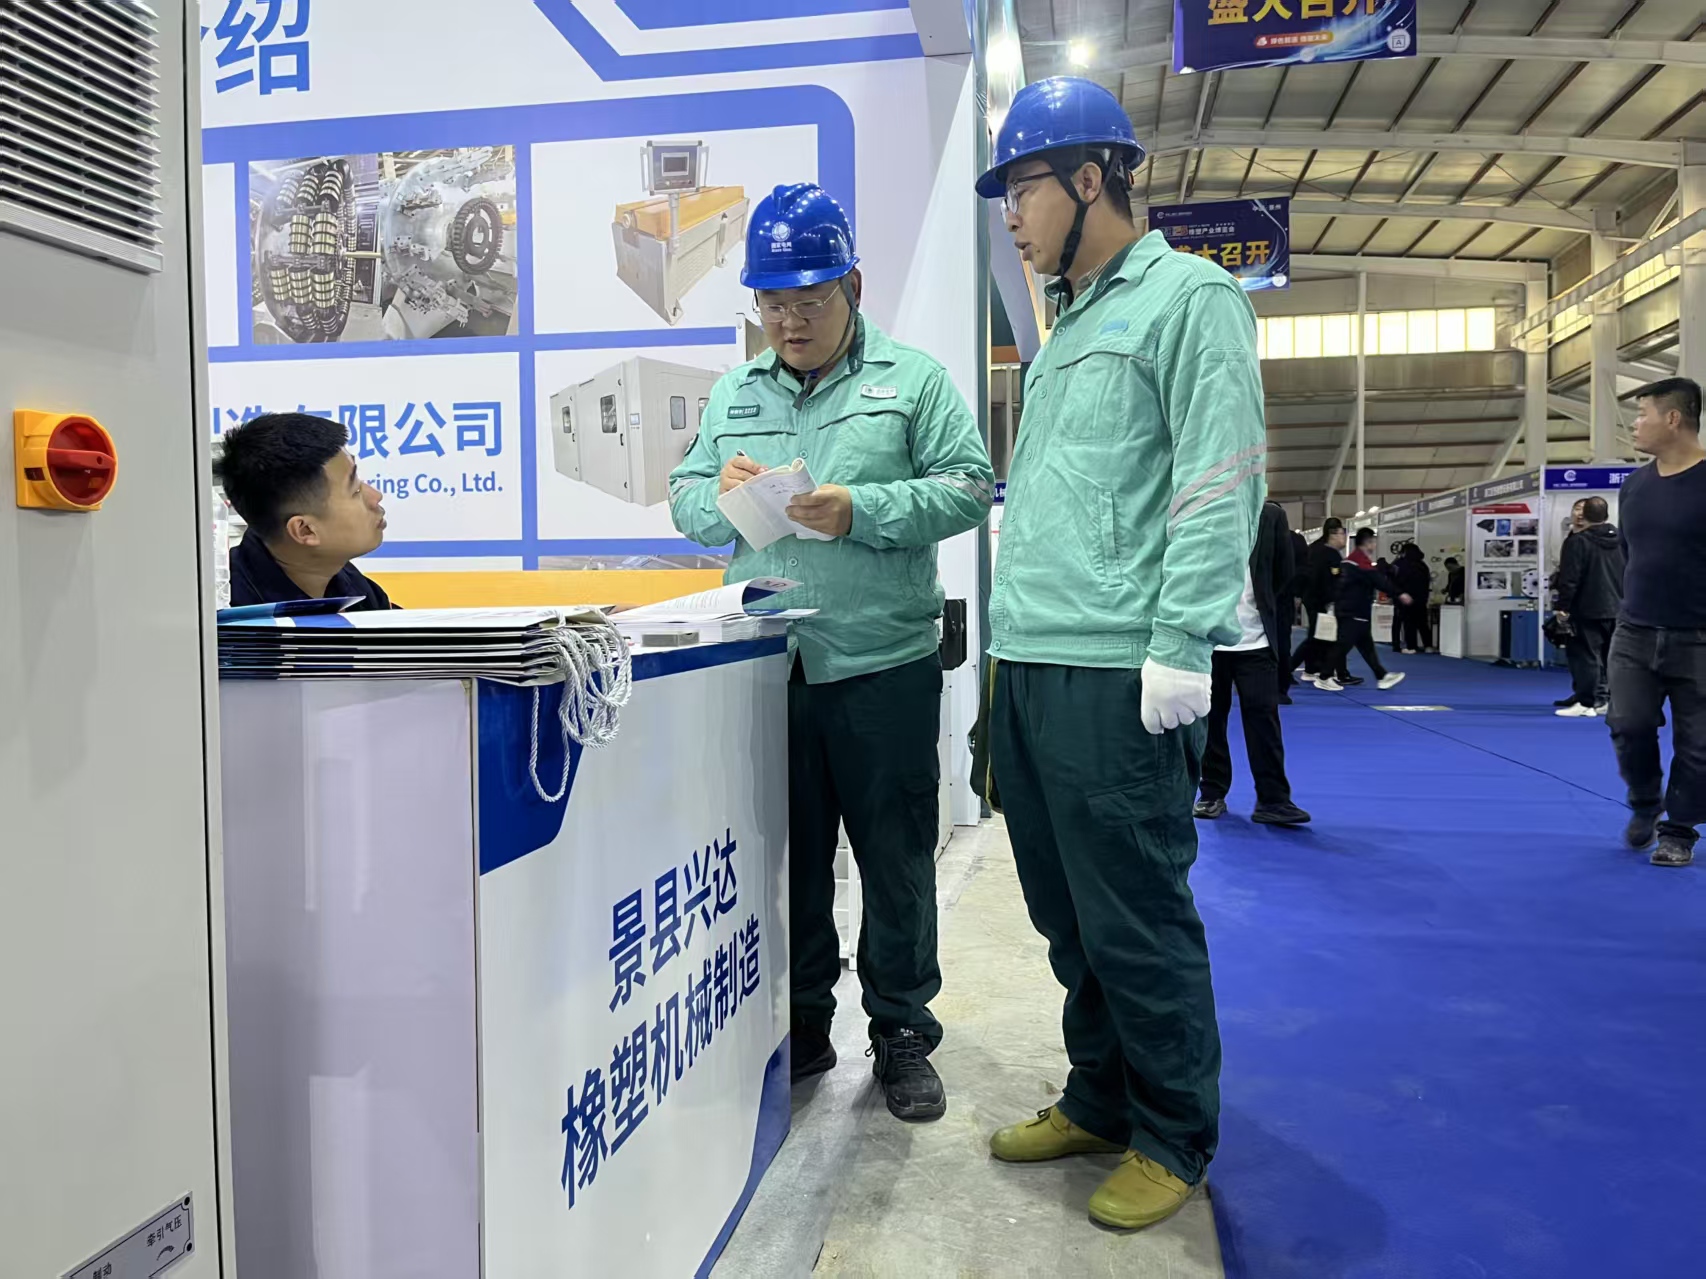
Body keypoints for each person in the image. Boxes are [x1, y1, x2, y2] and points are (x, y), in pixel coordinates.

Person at [974, 77, 1264, 1231]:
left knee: (1134, 913)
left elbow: (1217, 479)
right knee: (1065, 914)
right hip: (1031, 659)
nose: (1009, 214)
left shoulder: (1188, 300)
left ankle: (1172, 1132)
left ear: (1089, 177)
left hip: (1115, 670)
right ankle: (1098, 1096)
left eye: (1023, 189)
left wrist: (1181, 638)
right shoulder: (1064, 331)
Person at [668, 183, 993, 1116]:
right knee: (790, 859)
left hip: (880, 665)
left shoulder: (913, 381)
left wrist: (863, 509)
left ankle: (901, 1029)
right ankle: (802, 1018)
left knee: (895, 857)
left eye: (809, 300)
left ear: (853, 285)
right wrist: (717, 495)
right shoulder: (736, 391)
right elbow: (686, 501)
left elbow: (969, 487)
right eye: (772, 303)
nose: (790, 322)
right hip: (770, 669)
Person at [1604, 377, 1705, 867]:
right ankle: (1646, 799)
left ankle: (1679, 831)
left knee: (1700, 743)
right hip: (1635, 631)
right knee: (1628, 723)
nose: (1635, 425)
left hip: (1700, 638)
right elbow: (1631, 553)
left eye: (1642, 414)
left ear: (1673, 418)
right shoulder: (1635, 486)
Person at [1194, 500, 1310, 827]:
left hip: (1256, 641)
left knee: (1264, 721)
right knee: (1210, 720)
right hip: (1209, 640)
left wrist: (1263, 607)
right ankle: (1211, 792)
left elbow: (1284, 573)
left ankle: (1273, 800)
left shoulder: (1270, 515)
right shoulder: (1201, 508)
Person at [216, 412, 393, 609]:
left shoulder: (359, 590)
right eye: (355, 490)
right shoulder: (225, 610)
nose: (376, 496)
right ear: (305, 530)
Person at [1553, 496, 1624, 718]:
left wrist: (1562, 606)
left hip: (1587, 608)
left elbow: (1570, 578)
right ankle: (1606, 699)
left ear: (1586, 515)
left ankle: (1587, 702)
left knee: (1586, 656)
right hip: (1618, 607)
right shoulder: (1623, 539)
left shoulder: (1578, 542)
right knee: (1611, 657)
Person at [1317, 528, 1411, 693]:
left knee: (1366, 646)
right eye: (1373, 541)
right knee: (1342, 645)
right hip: (1353, 611)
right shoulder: (1360, 563)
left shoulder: (1350, 561)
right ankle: (1324, 677)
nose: (1374, 545)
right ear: (1368, 542)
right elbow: (1379, 581)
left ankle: (1381, 676)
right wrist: (1400, 593)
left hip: (1351, 610)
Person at [1292, 518, 1347, 681]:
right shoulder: (1330, 552)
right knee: (1319, 637)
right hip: (1322, 600)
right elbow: (1332, 579)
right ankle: (1292, 668)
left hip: (1311, 598)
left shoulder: (1314, 548)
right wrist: (1333, 600)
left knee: (1319, 636)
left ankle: (1314, 669)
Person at [1279, 525, 1309, 700]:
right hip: (1285, 597)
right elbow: (1304, 569)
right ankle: (1282, 682)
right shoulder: (1295, 539)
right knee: (1283, 639)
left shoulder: (1253, 535)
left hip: (1264, 598)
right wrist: (1297, 593)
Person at [1392, 543, 1433, 654]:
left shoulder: (1400, 564)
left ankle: (1412, 646)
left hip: (1405, 598)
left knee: (1408, 623)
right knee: (1423, 623)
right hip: (1421, 598)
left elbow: (1392, 579)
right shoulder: (1423, 565)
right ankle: (1428, 645)